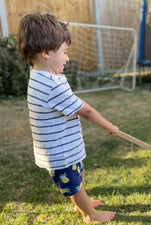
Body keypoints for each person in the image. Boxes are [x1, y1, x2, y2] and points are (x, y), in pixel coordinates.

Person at [17, 13, 118, 224]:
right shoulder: (50, 85)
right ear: (46, 52)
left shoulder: (42, 76)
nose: (67, 57)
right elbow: (86, 110)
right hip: (61, 152)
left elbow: (69, 100)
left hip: (64, 146)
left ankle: (81, 203)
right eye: (65, 52)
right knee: (73, 182)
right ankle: (91, 214)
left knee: (77, 177)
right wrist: (109, 125)